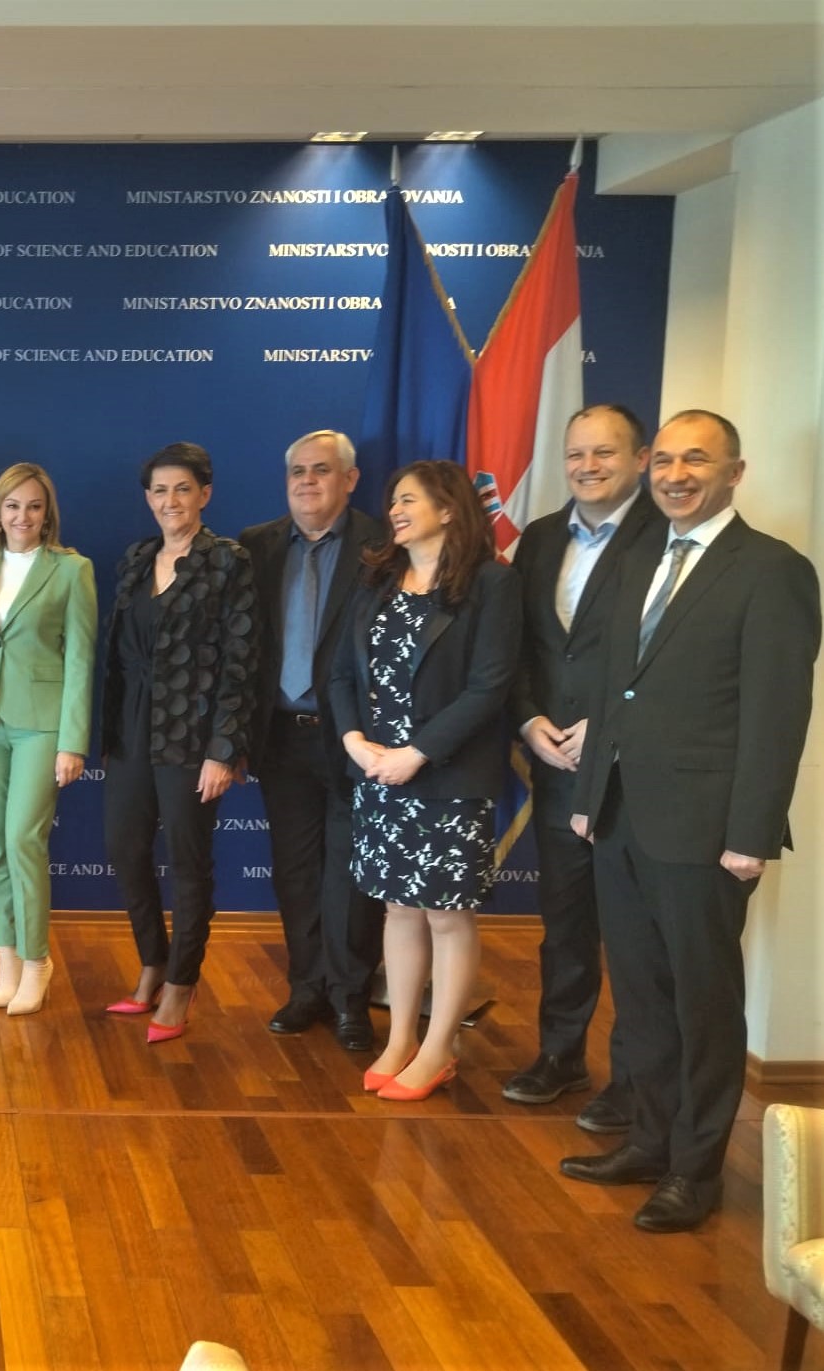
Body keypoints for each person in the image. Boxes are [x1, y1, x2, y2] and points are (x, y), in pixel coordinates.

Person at [562, 410, 820, 1233]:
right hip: (618, 817)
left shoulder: (772, 570)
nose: (675, 474)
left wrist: (750, 832)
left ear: (733, 472)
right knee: (640, 997)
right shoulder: (639, 556)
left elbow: (776, 712)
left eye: (696, 460)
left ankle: (694, 1170)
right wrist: (585, 797)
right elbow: (611, 690)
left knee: (701, 1003)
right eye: (665, 459)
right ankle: (648, 1140)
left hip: (706, 831)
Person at [328, 460, 521, 1100]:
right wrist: (354, 741)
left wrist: (418, 753)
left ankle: (439, 1049)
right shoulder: (377, 581)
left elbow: (490, 687)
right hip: (378, 772)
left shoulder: (491, 584)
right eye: (394, 500)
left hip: (449, 775)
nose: (395, 510)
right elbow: (342, 674)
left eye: (409, 499)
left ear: (449, 509)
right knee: (398, 909)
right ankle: (400, 1039)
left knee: (445, 915)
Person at [502, 405, 662, 1130]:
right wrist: (527, 719)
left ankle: (633, 1080)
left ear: (640, 458)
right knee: (564, 921)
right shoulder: (538, 539)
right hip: (555, 763)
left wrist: (611, 725)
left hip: (631, 770)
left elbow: (670, 655)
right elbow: (520, 648)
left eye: (604, 452)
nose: (586, 466)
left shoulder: (666, 537)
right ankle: (560, 1054)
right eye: (575, 453)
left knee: (632, 934)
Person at [101, 443, 257, 1042]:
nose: (171, 501)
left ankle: (181, 985)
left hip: (193, 733)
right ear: (148, 498)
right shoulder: (137, 558)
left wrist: (224, 748)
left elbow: (242, 661)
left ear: (205, 494)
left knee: (189, 863)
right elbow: (120, 655)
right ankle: (152, 962)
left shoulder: (227, 561)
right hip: (131, 728)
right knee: (124, 848)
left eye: (183, 489)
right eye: (160, 490)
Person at [239, 430, 386, 1052]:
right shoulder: (257, 545)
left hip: (355, 737)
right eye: (297, 471)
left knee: (350, 874)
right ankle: (307, 988)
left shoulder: (383, 544)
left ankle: (351, 998)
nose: (306, 481)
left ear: (349, 479)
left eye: (321, 470)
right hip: (281, 735)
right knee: (296, 871)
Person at [0, 463, 96, 1016]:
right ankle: (6, 960)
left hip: (41, 724)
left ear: (46, 512)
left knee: (23, 840)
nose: (22, 516)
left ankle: (36, 962)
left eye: (33, 506)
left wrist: (73, 740)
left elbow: (80, 660)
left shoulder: (72, 570)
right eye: (12, 506)